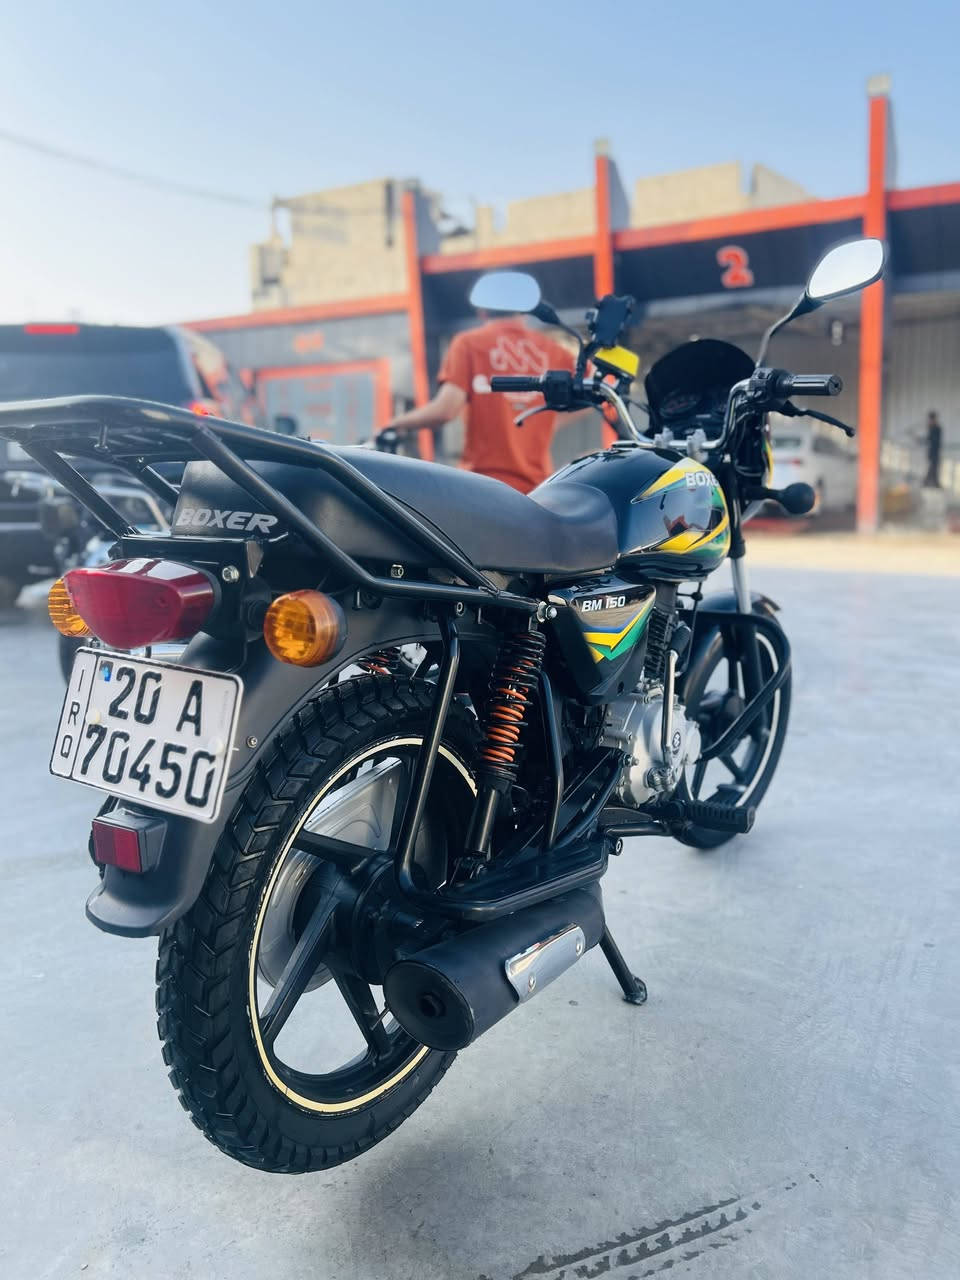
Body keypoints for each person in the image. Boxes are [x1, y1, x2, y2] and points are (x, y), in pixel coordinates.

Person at [379, 311, 576, 493]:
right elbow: (591, 389)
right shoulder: (551, 350)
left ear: (482, 310)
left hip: (482, 486)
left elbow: (446, 409)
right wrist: (549, 420)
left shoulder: (469, 343)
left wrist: (397, 423)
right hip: (536, 489)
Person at [922, 410, 943, 488]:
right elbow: (928, 439)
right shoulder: (932, 428)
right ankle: (930, 482)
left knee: (933, 468)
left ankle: (930, 482)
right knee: (932, 467)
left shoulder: (937, 428)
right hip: (932, 452)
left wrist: (930, 428)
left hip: (935, 452)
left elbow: (933, 439)